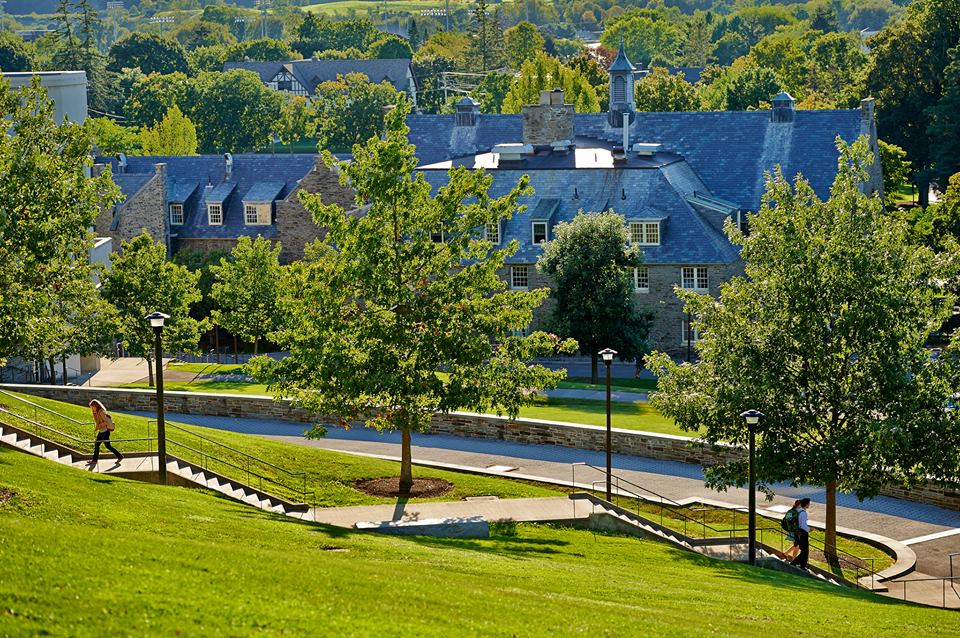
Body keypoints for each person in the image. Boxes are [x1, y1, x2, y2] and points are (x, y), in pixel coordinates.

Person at [88, 399, 123, 465]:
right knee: (97, 445)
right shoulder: (98, 412)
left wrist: (99, 426)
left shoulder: (101, 412)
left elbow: (106, 422)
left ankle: (120, 456)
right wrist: (94, 413)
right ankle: (94, 460)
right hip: (102, 431)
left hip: (105, 432)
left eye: (92, 407)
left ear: (95, 406)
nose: (92, 409)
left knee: (107, 446)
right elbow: (97, 421)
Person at [789, 498, 812, 569]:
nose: (809, 504)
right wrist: (809, 529)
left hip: (798, 533)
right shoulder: (803, 513)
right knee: (805, 551)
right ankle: (797, 564)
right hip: (803, 533)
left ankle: (801, 565)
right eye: (809, 503)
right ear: (807, 504)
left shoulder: (798, 511)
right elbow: (803, 525)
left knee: (804, 551)